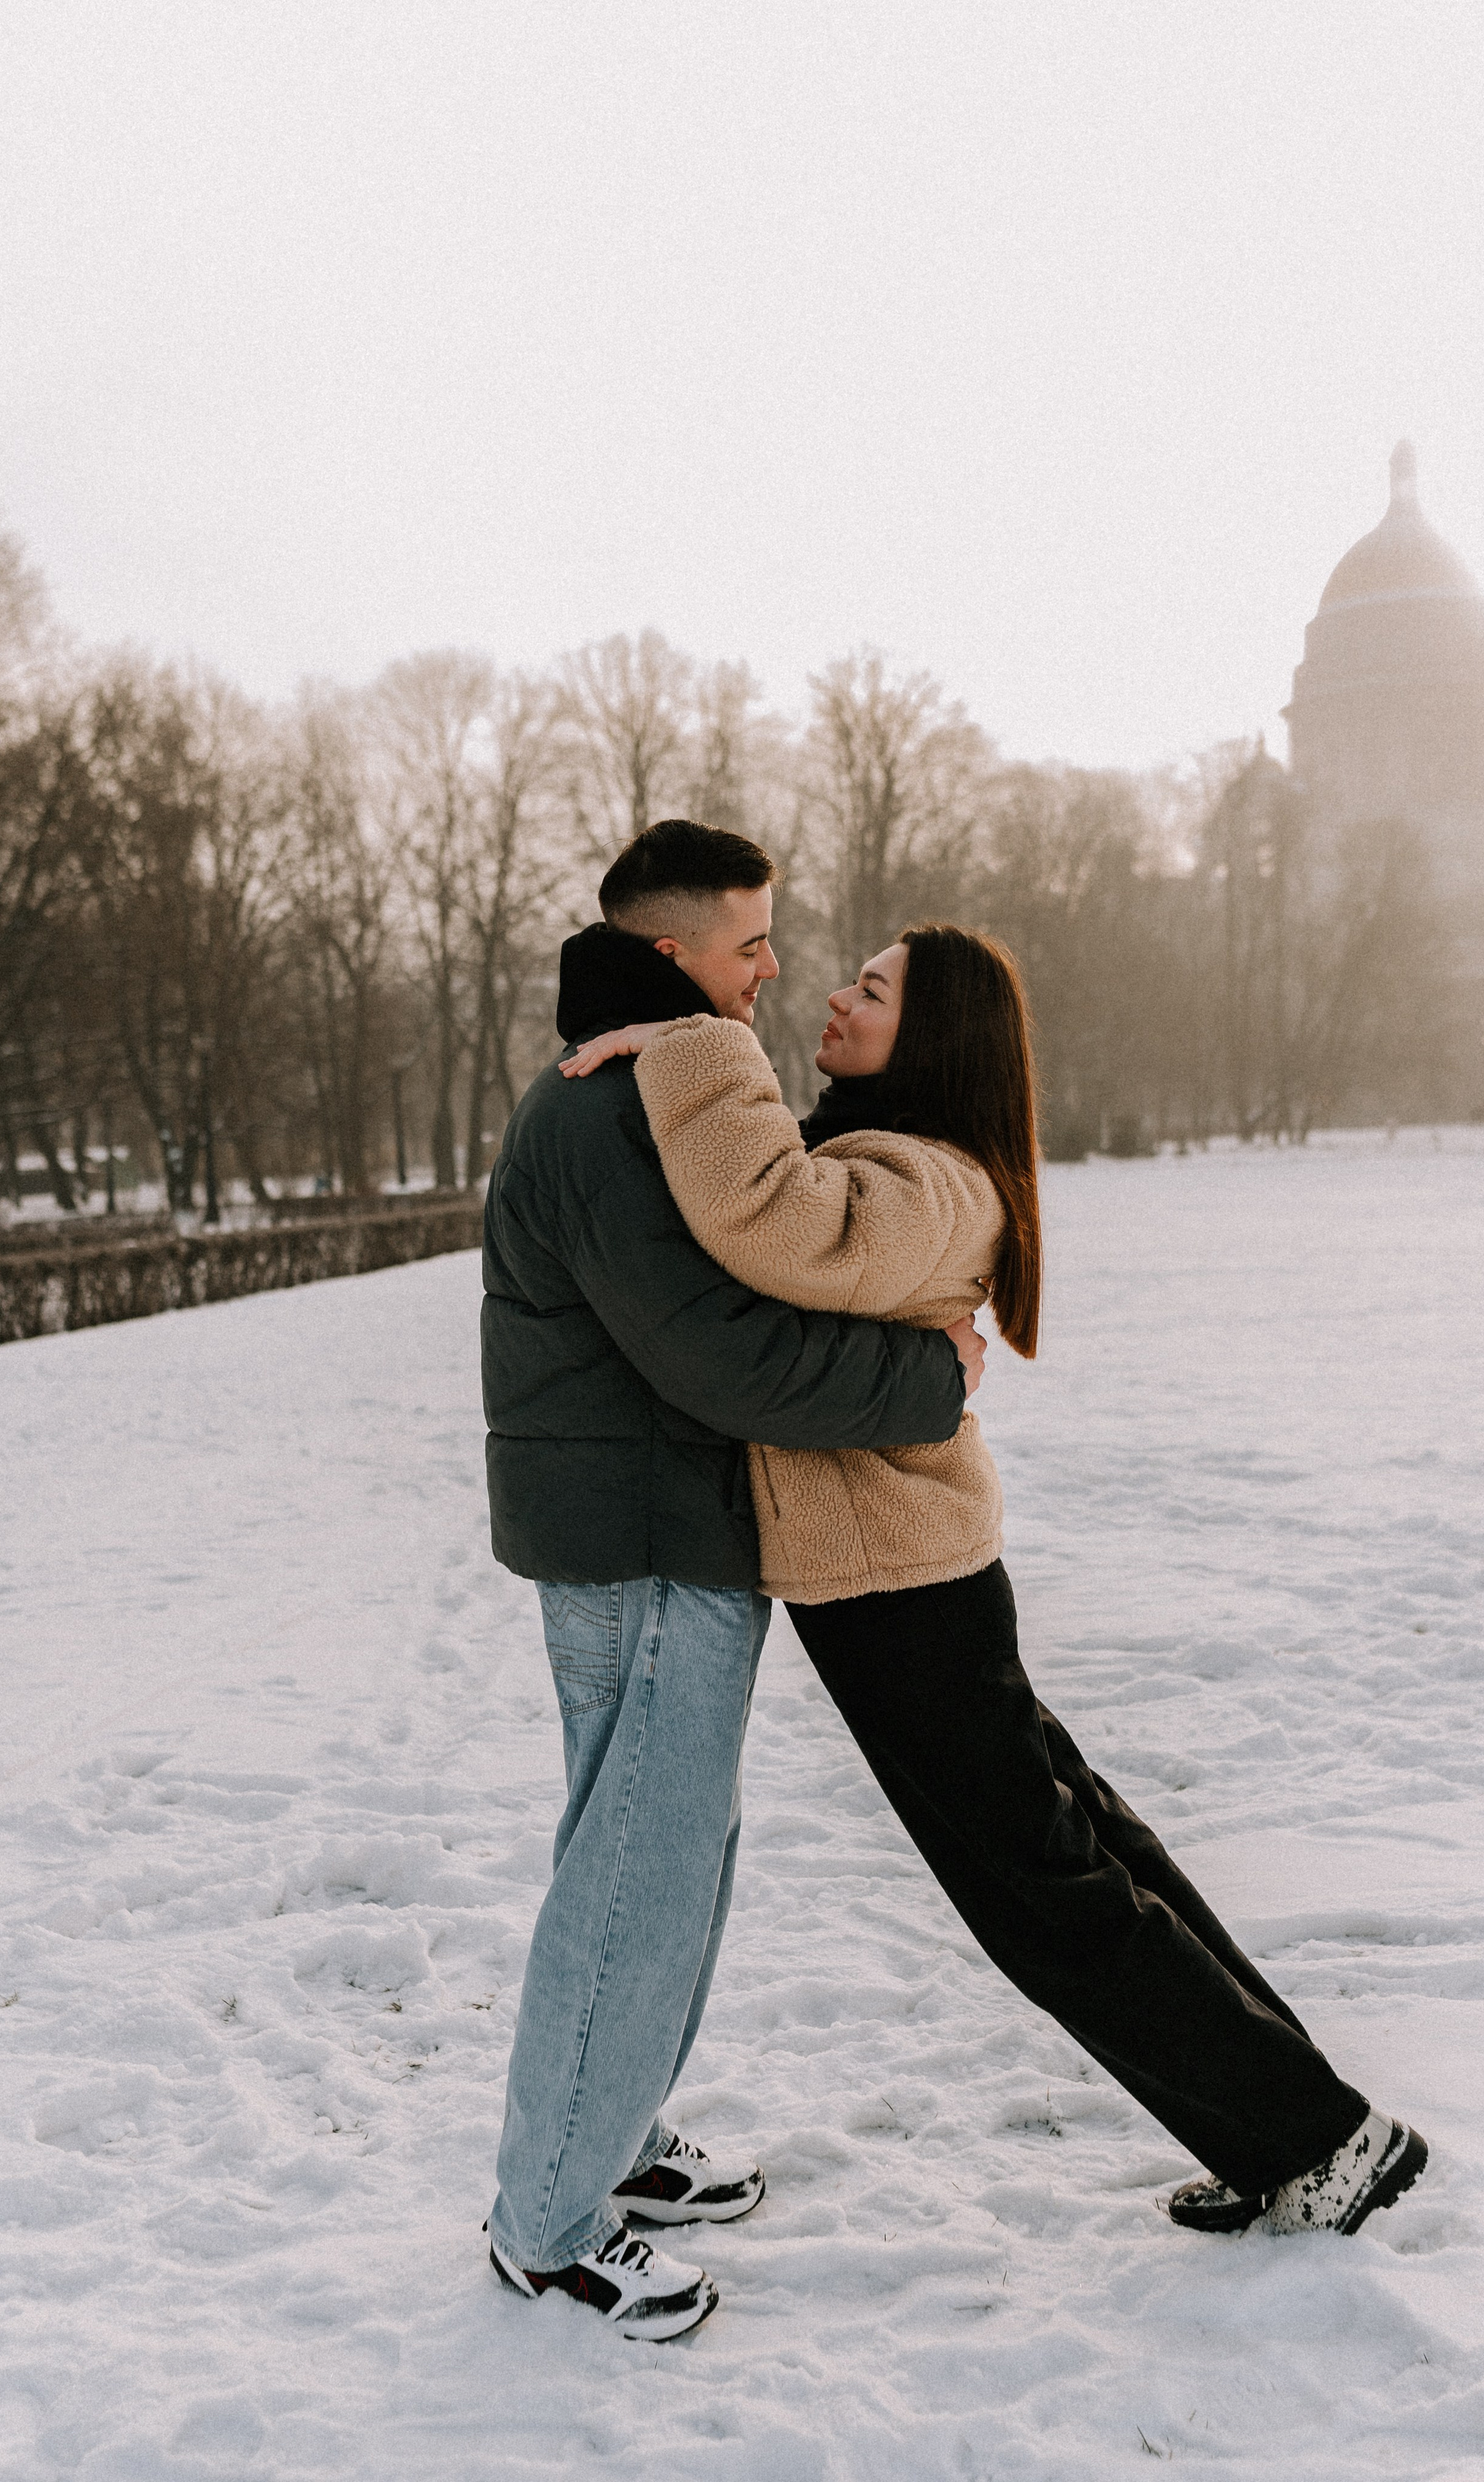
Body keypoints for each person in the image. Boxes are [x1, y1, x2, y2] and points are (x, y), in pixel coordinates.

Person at [563, 920, 1428, 2245]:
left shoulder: (927, 1179)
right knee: (1083, 1856)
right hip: (909, 1584)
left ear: (937, 1034)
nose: (838, 999)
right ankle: (1307, 2129)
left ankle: (1310, 2137)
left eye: (872, 989)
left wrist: (692, 1043)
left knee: (1050, 1899)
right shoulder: (895, 1156)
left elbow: (773, 1226)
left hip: (901, 1591)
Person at [479, 821, 981, 2340]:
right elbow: (716, 1348)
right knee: (638, 1874)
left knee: (660, 1859)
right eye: (750, 942)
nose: (773, 968)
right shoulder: (615, 1100)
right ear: (674, 945)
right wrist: (923, 1378)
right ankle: (547, 2221)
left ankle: (608, 2137)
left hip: (657, 1526)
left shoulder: (638, 1078)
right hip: (641, 1535)